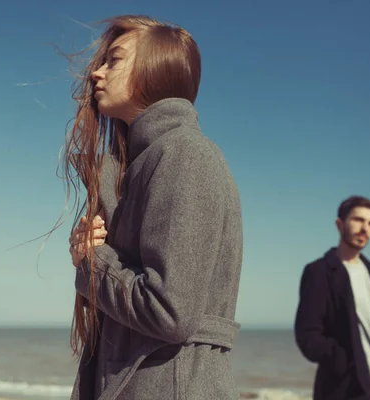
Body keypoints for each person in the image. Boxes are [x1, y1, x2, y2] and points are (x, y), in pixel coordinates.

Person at [63, 15, 243, 400]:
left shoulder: (184, 153)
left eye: (114, 60)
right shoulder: (143, 164)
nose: (96, 73)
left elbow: (169, 311)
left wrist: (92, 260)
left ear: (156, 67)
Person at [294, 196, 370, 400]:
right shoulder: (318, 272)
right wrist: (341, 359)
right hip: (343, 389)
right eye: (358, 220)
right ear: (340, 224)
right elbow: (307, 334)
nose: (365, 228)